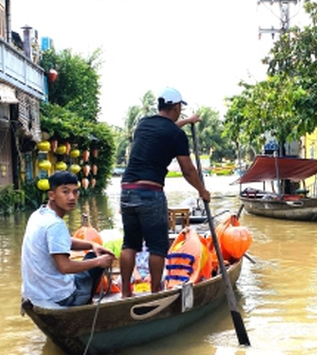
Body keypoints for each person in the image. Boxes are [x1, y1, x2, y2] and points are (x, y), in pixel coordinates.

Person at [120, 87, 211, 297]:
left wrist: (187, 122)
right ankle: (155, 292)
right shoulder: (176, 135)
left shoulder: (143, 124)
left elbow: (166, 130)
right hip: (150, 192)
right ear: (177, 107)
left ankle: (126, 293)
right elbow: (188, 170)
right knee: (158, 246)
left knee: (130, 244)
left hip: (127, 190)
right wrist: (202, 191)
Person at [21, 171, 115, 307]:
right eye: (65, 192)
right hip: (61, 297)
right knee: (96, 258)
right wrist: (98, 261)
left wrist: (91, 244)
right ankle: (85, 305)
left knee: (94, 253)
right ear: (52, 195)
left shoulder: (38, 215)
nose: (72, 197)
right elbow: (65, 267)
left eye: (75, 192)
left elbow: (62, 241)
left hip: (36, 293)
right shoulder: (55, 224)